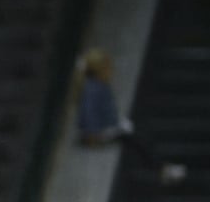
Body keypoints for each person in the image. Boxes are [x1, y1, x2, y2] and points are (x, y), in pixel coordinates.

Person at [76, 47, 187, 186]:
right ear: (100, 70)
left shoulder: (98, 85)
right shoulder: (92, 89)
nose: (111, 70)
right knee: (136, 137)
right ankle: (163, 169)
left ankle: (163, 167)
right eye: (107, 67)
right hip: (96, 134)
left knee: (136, 132)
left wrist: (115, 124)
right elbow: (88, 120)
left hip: (107, 128)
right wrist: (104, 132)